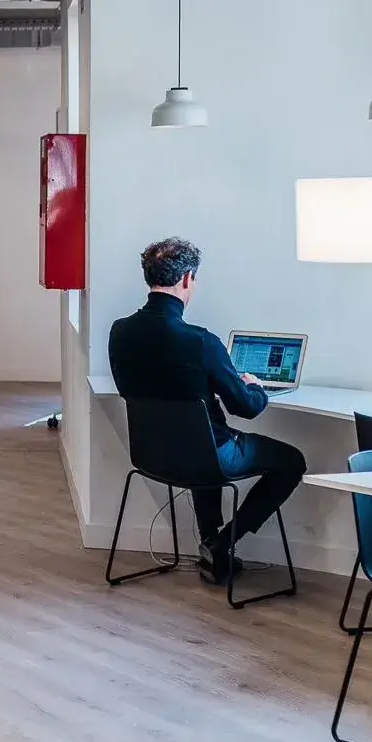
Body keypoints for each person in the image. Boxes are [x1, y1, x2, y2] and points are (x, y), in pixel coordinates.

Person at [106, 238, 307, 586]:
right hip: (206, 457)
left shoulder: (120, 332)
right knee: (291, 461)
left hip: (150, 456)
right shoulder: (200, 341)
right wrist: (256, 386)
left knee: (200, 443)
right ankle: (222, 542)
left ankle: (212, 548)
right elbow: (246, 407)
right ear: (187, 278)